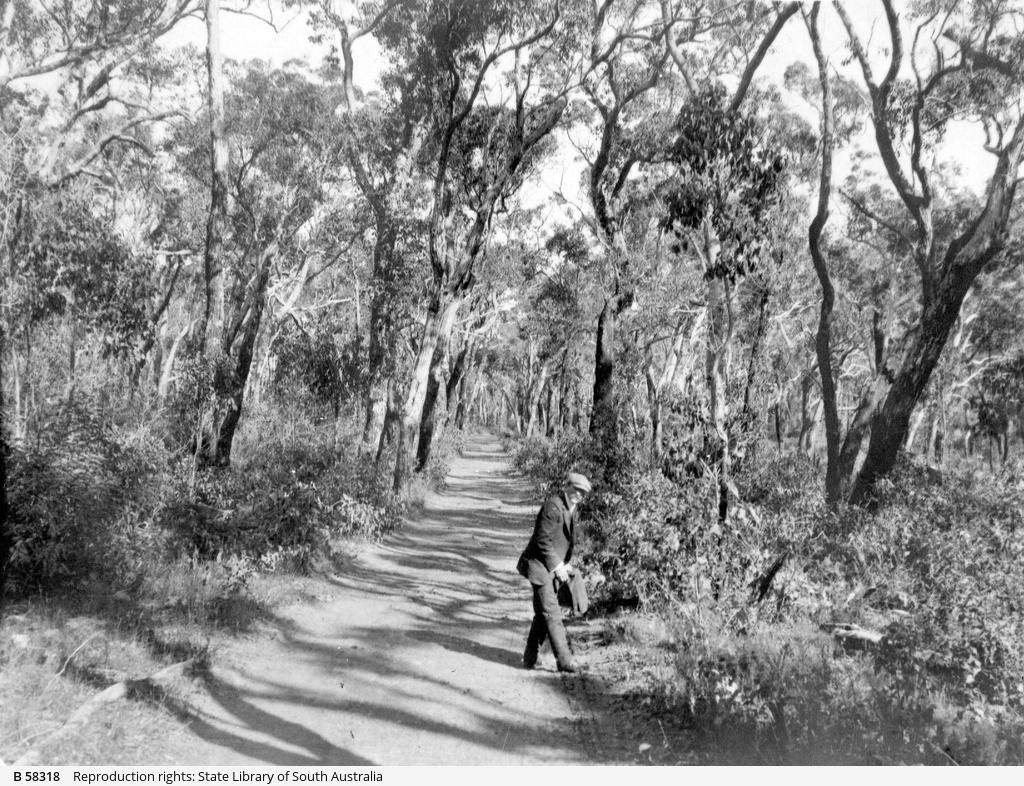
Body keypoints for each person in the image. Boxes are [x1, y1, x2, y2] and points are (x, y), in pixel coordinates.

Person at [516, 471, 592, 673]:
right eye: (576, 490)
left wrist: (563, 564)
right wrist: (558, 566)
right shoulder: (553, 506)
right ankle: (565, 661)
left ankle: (529, 657)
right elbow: (542, 540)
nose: (578, 495)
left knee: (543, 614)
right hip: (537, 566)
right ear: (566, 486)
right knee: (552, 613)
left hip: (549, 567)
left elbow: (560, 542)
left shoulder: (569, 508)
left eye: (582, 493)